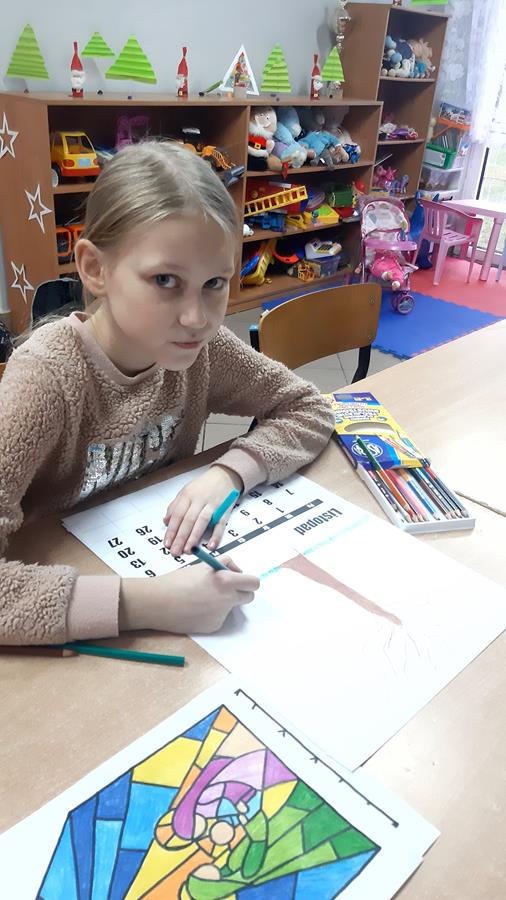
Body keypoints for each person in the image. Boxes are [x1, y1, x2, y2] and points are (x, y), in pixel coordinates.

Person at [0, 141, 334, 645]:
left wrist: (229, 473)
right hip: (71, 607)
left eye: (214, 283)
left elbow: (307, 406)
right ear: (95, 268)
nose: (197, 318)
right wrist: (150, 604)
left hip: (143, 555)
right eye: (164, 280)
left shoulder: (202, 350)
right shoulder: (46, 379)